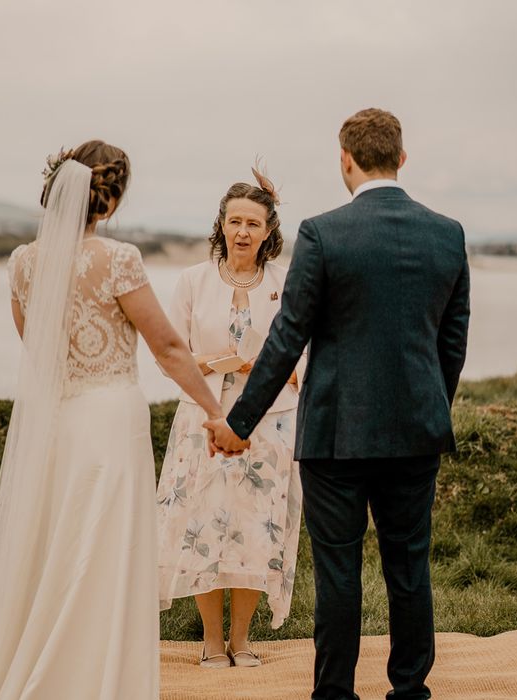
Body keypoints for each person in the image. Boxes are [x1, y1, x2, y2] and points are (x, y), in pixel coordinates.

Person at [0, 141, 222, 700]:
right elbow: (166, 345)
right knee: (102, 550)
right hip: (111, 420)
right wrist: (215, 410)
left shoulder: (21, 262)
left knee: (58, 546)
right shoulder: (118, 260)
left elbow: (36, 347)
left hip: (60, 423)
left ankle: (49, 667)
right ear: (108, 203)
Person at [205, 109, 470, 699]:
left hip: (335, 436)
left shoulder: (324, 233)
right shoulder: (447, 233)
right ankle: (409, 691)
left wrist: (237, 421)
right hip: (416, 433)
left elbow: (286, 337)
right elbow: (452, 341)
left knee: (339, 573)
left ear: (344, 159)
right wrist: (429, 407)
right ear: (402, 157)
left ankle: (334, 695)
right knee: (409, 569)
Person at [156, 167, 306, 668]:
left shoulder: (286, 283)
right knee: (205, 524)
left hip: (273, 420)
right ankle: (212, 641)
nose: (242, 231)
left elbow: (305, 354)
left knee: (253, 527)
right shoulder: (191, 282)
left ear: (269, 232)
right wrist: (218, 363)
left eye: (253, 223)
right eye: (234, 221)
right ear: (221, 224)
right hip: (205, 417)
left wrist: (273, 370)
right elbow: (170, 352)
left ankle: (243, 640)